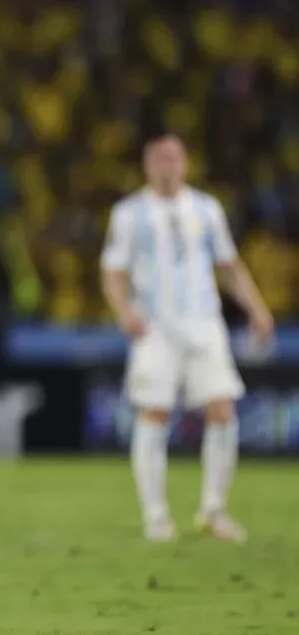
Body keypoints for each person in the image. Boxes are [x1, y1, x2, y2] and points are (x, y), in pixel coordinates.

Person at [101, 133, 274, 543]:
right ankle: (156, 516)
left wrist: (258, 308)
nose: (168, 165)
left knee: (222, 411)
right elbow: (112, 270)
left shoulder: (206, 209)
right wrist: (123, 312)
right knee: (154, 413)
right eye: (160, 158)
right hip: (155, 327)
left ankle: (213, 510)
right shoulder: (129, 214)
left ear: (185, 164)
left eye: (174, 158)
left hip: (204, 323)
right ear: (147, 166)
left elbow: (229, 266)